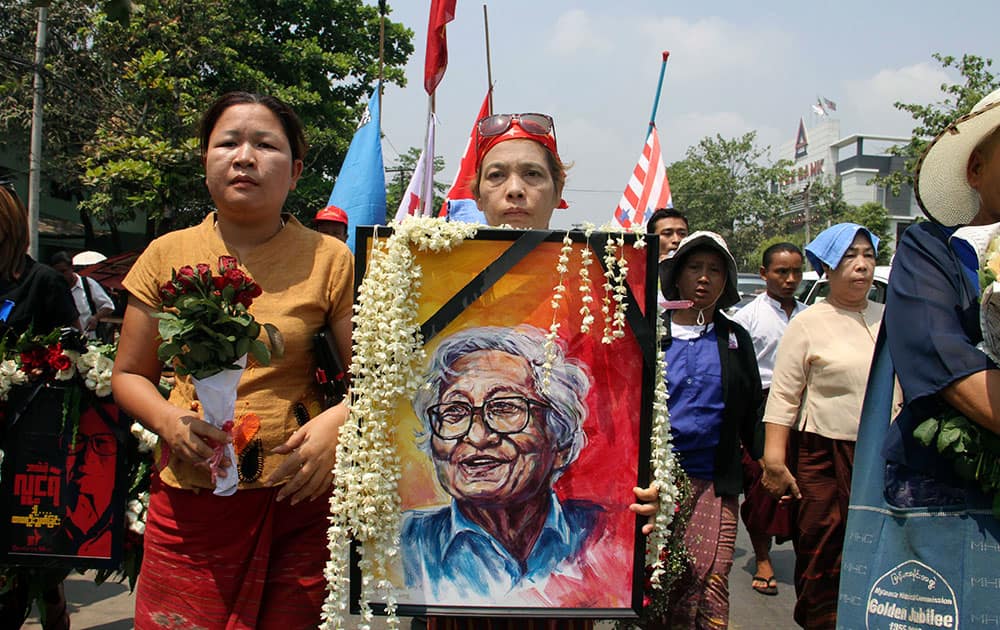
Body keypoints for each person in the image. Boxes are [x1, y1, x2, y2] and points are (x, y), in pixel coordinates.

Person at [111, 92, 353, 628]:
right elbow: (128, 375)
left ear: (295, 171)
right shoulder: (165, 255)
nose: (244, 157)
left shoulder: (330, 259)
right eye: (228, 143)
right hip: (189, 497)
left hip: (295, 497)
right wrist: (170, 422)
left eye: (266, 145)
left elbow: (375, 378)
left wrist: (339, 422)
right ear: (205, 163)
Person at [402, 325, 603, 603]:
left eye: (505, 407)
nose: (477, 436)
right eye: (454, 411)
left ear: (560, 441)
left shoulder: (604, 536)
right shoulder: (401, 547)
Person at [761, 223, 882, 629]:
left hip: (881, 457)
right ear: (827, 268)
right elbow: (783, 396)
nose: (861, 265)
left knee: (878, 552)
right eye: (850, 257)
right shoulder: (809, 323)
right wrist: (774, 460)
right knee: (823, 548)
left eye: (867, 255)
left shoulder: (891, 318)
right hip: (821, 456)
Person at [650, 230, 762, 628]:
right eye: (695, 267)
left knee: (712, 575)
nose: (704, 277)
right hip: (657, 486)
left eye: (715, 270)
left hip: (716, 483)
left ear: (726, 281)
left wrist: (767, 461)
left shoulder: (735, 338)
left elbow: (751, 407)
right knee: (660, 582)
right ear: (677, 276)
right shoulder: (652, 332)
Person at [0, 182, 77, 630]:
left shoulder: (41, 282)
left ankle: (53, 598)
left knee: (32, 551)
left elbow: (75, 362)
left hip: (29, 442)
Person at [730, 242, 806, 597]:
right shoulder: (747, 318)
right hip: (760, 406)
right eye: (781, 272)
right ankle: (763, 558)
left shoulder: (809, 315)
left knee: (805, 484)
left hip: (802, 409)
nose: (790, 280)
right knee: (761, 483)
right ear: (764, 274)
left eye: (796, 272)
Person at [50, 251, 115, 340]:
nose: (61, 276)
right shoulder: (54, 288)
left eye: (63, 271)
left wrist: (96, 317)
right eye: (57, 273)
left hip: (89, 339)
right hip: (64, 341)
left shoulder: (87, 284)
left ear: (71, 268)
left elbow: (109, 306)